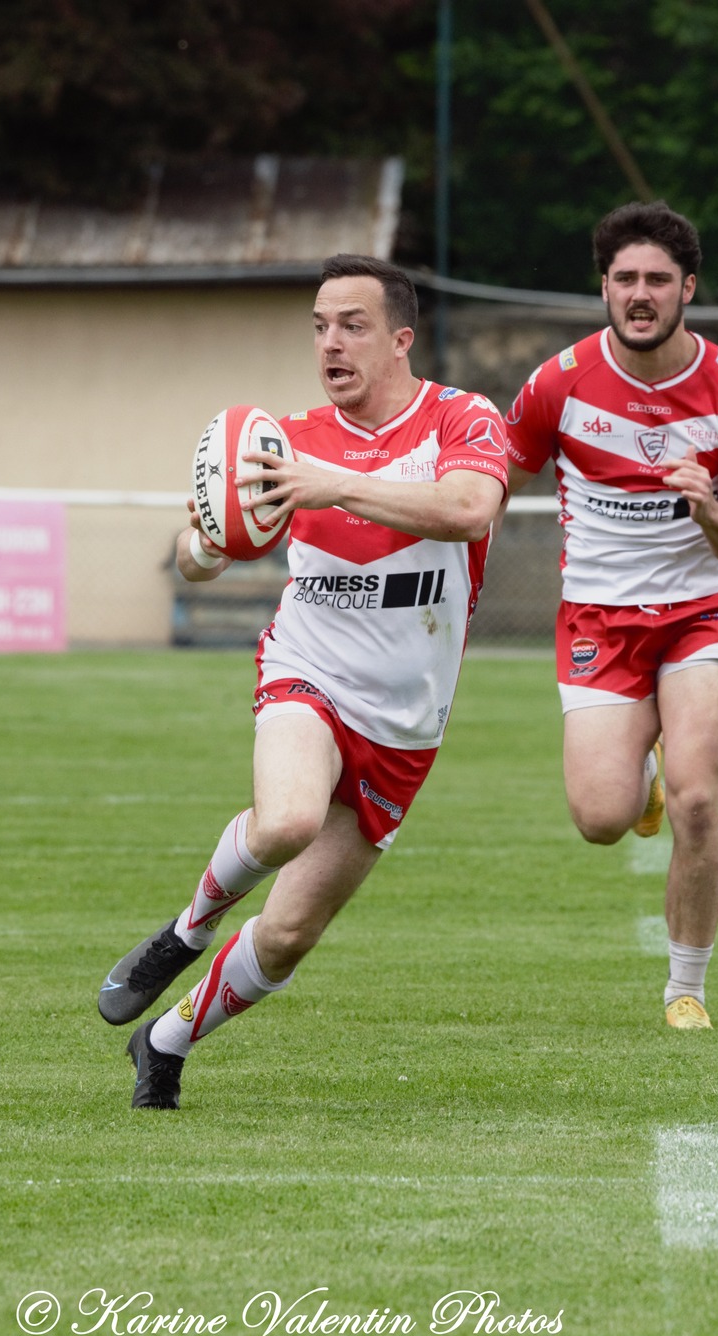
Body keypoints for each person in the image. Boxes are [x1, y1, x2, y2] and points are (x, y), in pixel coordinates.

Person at [96, 254, 510, 1109]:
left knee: (288, 934)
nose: (331, 343)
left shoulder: (461, 418)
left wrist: (337, 486)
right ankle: (186, 931)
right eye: (320, 326)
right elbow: (196, 553)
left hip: (405, 723)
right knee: (286, 818)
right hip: (307, 672)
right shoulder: (284, 439)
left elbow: (470, 509)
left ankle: (163, 1041)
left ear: (401, 339)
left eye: (353, 325)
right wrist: (206, 539)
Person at [503, 202, 718, 1030]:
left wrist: (708, 507)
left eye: (658, 278)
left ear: (688, 288)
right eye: (625, 277)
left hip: (705, 610)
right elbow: (489, 487)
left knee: (697, 800)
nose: (640, 293)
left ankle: (685, 987)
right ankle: (641, 779)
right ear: (604, 287)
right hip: (599, 617)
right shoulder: (557, 384)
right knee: (600, 818)